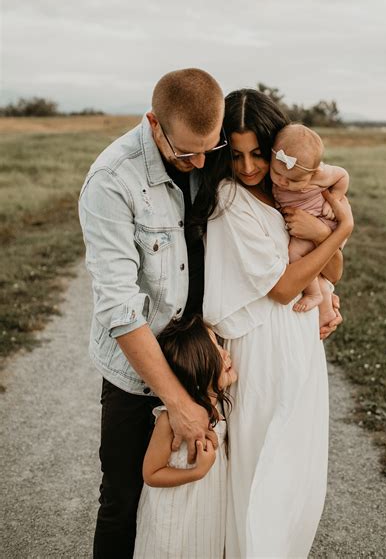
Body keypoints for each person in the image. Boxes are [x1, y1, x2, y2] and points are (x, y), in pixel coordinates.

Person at [78, 68, 227, 558]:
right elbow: (119, 307)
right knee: (122, 500)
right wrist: (178, 404)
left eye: (210, 147)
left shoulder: (209, 154)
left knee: (200, 501)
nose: (201, 162)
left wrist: (324, 284)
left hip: (200, 361)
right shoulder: (111, 180)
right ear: (154, 123)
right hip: (134, 375)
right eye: (187, 153)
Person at [202, 89, 353, 558]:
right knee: (259, 473)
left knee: (294, 478)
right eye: (237, 155)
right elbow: (284, 289)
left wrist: (324, 235)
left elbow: (333, 271)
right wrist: (341, 231)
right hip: (260, 353)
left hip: (301, 348)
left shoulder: (291, 192)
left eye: (258, 154)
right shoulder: (230, 200)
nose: (248, 167)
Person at [133, 314, 237, 559]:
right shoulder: (170, 420)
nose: (226, 354)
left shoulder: (220, 409)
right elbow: (151, 473)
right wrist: (196, 472)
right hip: (172, 524)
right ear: (197, 369)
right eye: (217, 352)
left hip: (207, 520)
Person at [271, 123, 350, 323]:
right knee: (315, 268)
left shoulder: (321, 174)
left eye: (292, 181)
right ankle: (326, 309)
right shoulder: (281, 171)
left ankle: (314, 294)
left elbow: (343, 175)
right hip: (309, 225)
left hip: (322, 222)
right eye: (277, 173)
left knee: (294, 254)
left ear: (313, 173)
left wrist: (336, 197)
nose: (282, 182)